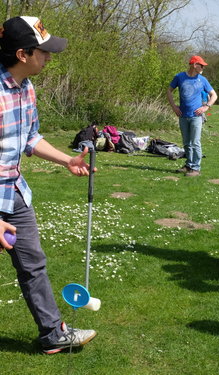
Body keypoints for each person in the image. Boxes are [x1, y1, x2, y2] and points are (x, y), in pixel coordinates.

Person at [0, 16, 97, 354]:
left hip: (13, 191)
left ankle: (53, 334)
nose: (49, 57)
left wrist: (66, 160)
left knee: (33, 263)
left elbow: (31, 138)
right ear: (22, 54)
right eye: (43, 51)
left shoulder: (26, 88)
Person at [167, 55, 217, 177]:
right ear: (194, 65)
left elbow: (214, 95)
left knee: (195, 142)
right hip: (183, 116)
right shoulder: (179, 77)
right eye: (201, 65)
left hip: (196, 117)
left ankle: (196, 168)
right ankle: (188, 165)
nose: (203, 68)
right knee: (186, 143)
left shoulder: (202, 80)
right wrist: (174, 107)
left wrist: (206, 107)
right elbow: (169, 91)